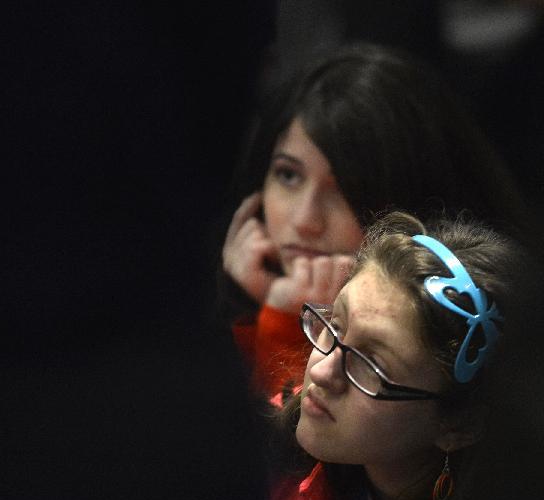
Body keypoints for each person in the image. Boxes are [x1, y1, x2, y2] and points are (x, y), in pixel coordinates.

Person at [217, 43, 526, 398]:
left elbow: (292, 448)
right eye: (289, 175)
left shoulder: (460, 345)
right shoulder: (234, 297)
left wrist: (287, 325)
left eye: (346, 189)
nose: (305, 220)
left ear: (412, 198)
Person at [264, 211, 530, 500]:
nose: (322, 372)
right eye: (335, 327)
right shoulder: (264, 467)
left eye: (371, 365)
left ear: (459, 426)